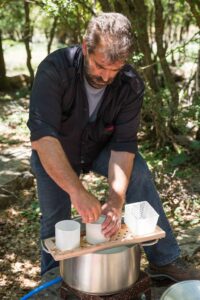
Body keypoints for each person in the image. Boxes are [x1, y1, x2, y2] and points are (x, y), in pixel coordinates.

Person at [28, 12, 200, 281]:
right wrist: (77, 191)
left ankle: (164, 260)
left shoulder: (130, 83)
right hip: (56, 151)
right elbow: (42, 137)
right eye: (100, 66)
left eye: (114, 70)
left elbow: (123, 145)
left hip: (99, 148)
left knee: (139, 173)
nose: (106, 77)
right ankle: (53, 278)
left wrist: (115, 200)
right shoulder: (54, 69)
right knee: (56, 219)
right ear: (86, 48)